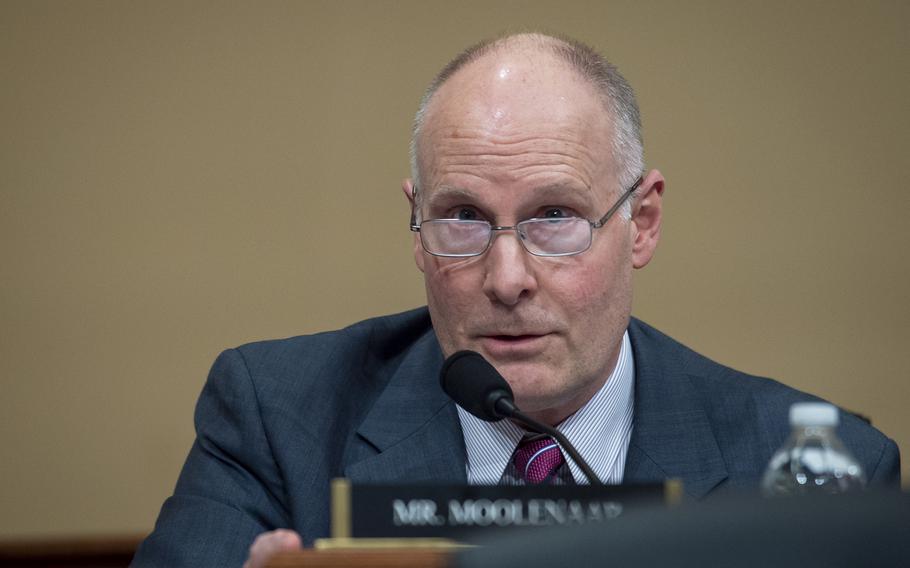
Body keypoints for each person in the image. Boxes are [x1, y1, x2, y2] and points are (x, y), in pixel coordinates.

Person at [131, 33, 901, 568]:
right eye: (462, 217)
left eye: (555, 216)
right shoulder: (277, 418)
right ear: (415, 224)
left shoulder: (812, 472)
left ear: (643, 222)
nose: (505, 279)